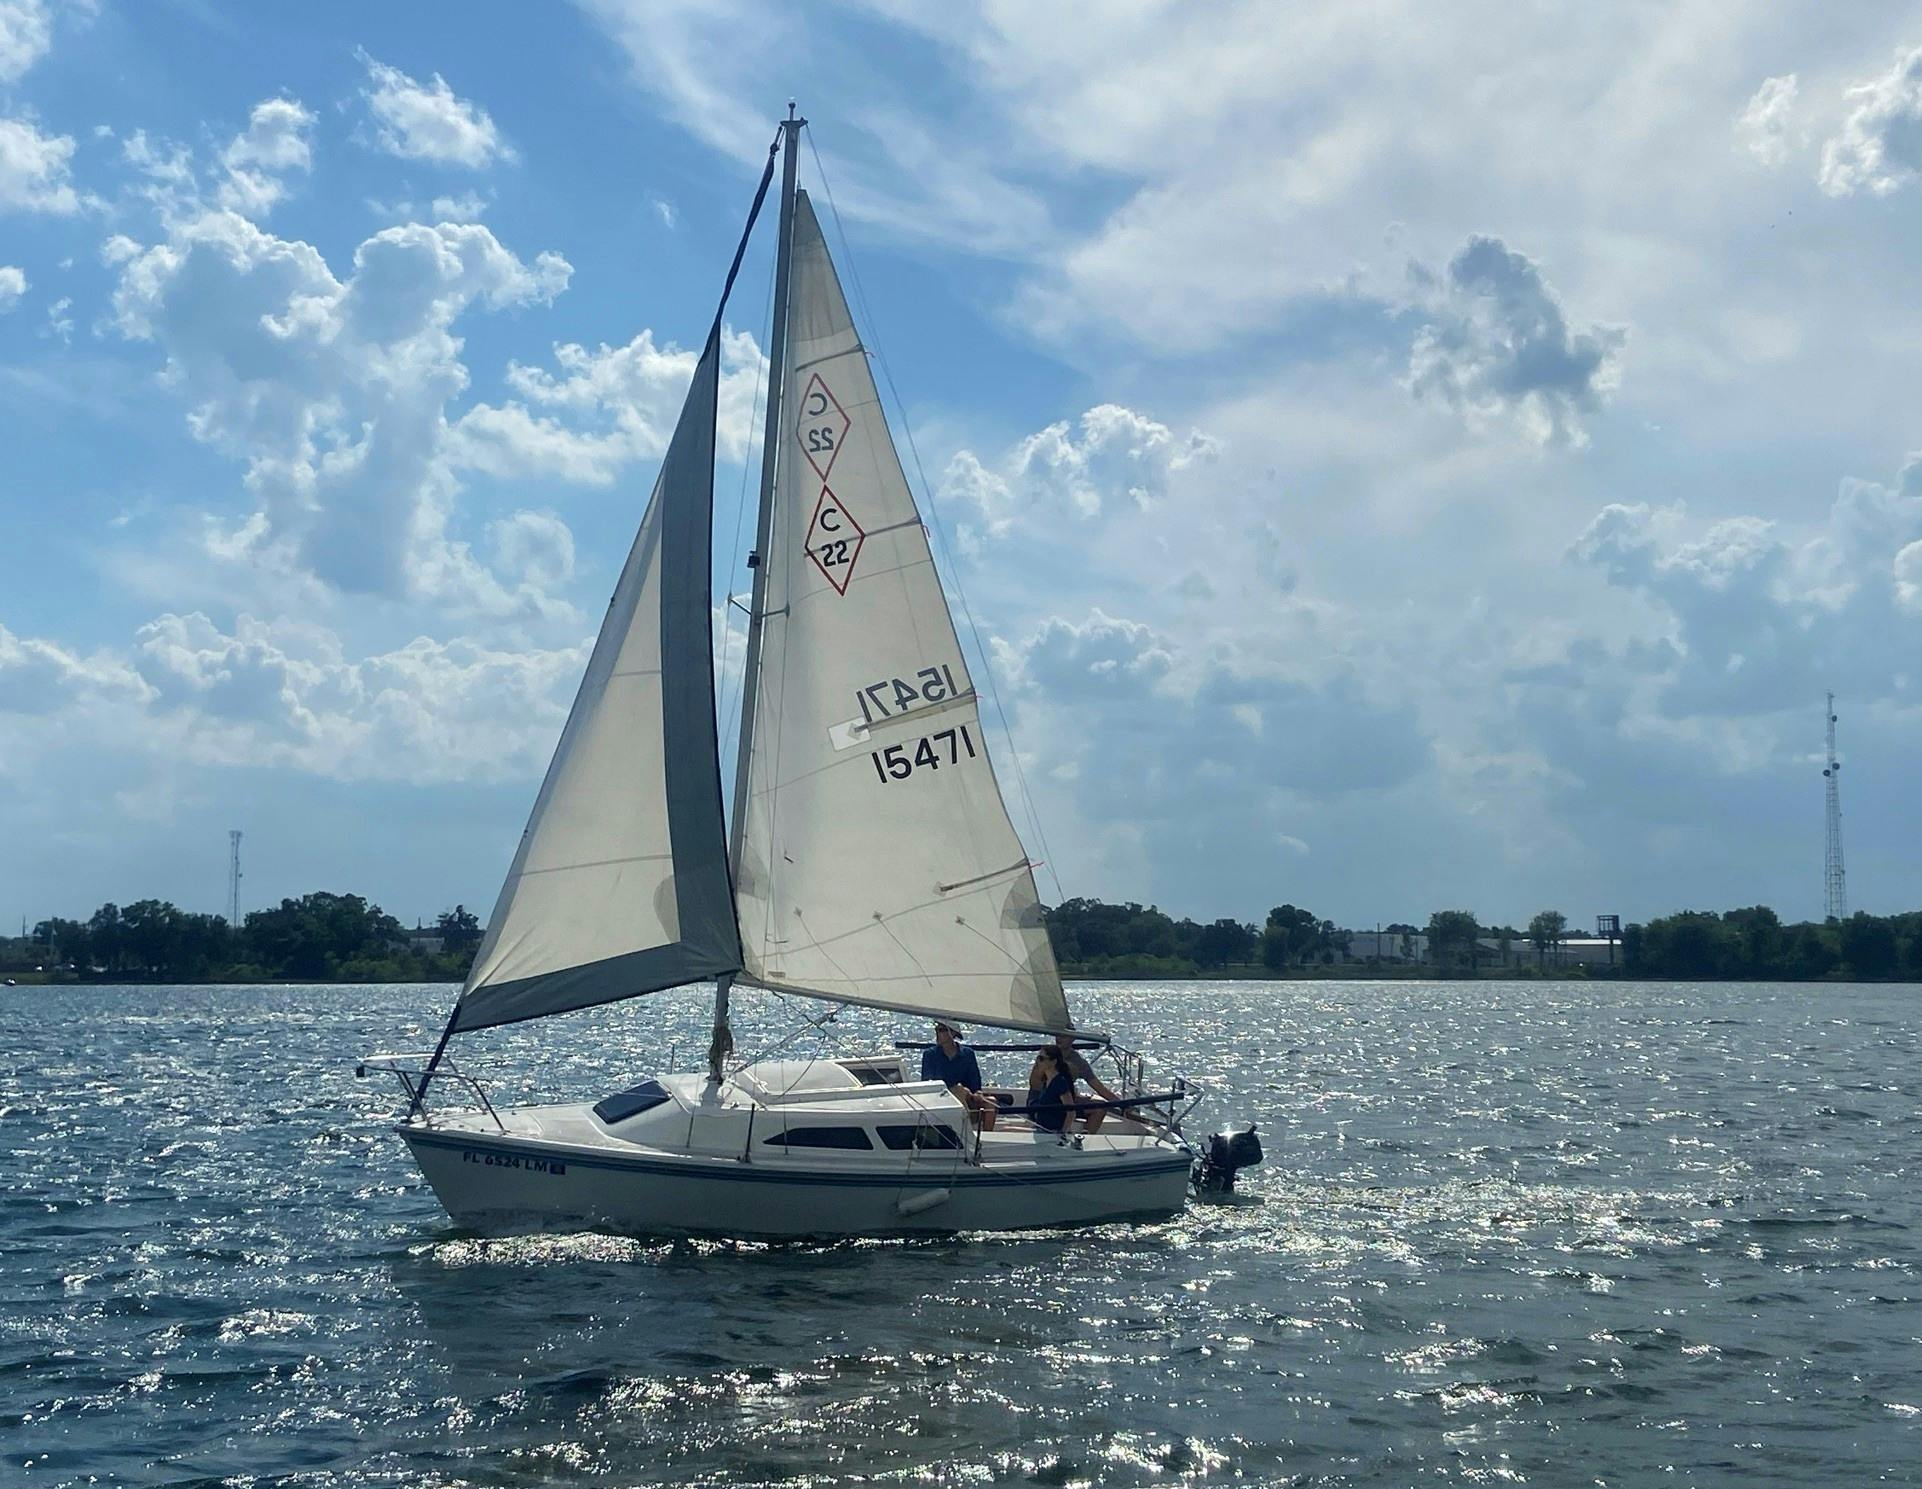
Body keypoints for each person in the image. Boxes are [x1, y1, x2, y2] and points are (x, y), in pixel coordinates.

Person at [920, 1021, 997, 1130]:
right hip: (941, 1101)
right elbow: (927, 1084)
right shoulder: (930, 1055)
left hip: (967, 1099)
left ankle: (986, 1138)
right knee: (959, 1090)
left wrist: (977, 1094)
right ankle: (965, 1133)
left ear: (953, 1033)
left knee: (991, 1102)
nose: (937, 1033)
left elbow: (975, 1084)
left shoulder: (968, 1054)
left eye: (942, 1030)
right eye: (936, 1030)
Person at [1027, 1046, 1105, 1136]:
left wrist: (1063, 1132)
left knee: (1008, 1129)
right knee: (1007, 1127)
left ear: (1053, 1062)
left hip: (1050, 1131)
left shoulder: (1059, 1082)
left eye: (1041, 1059)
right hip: (1042, 1126)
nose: (1038, 1062)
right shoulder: (1046, 1081)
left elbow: (1071, 1111)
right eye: (1037, 1058)